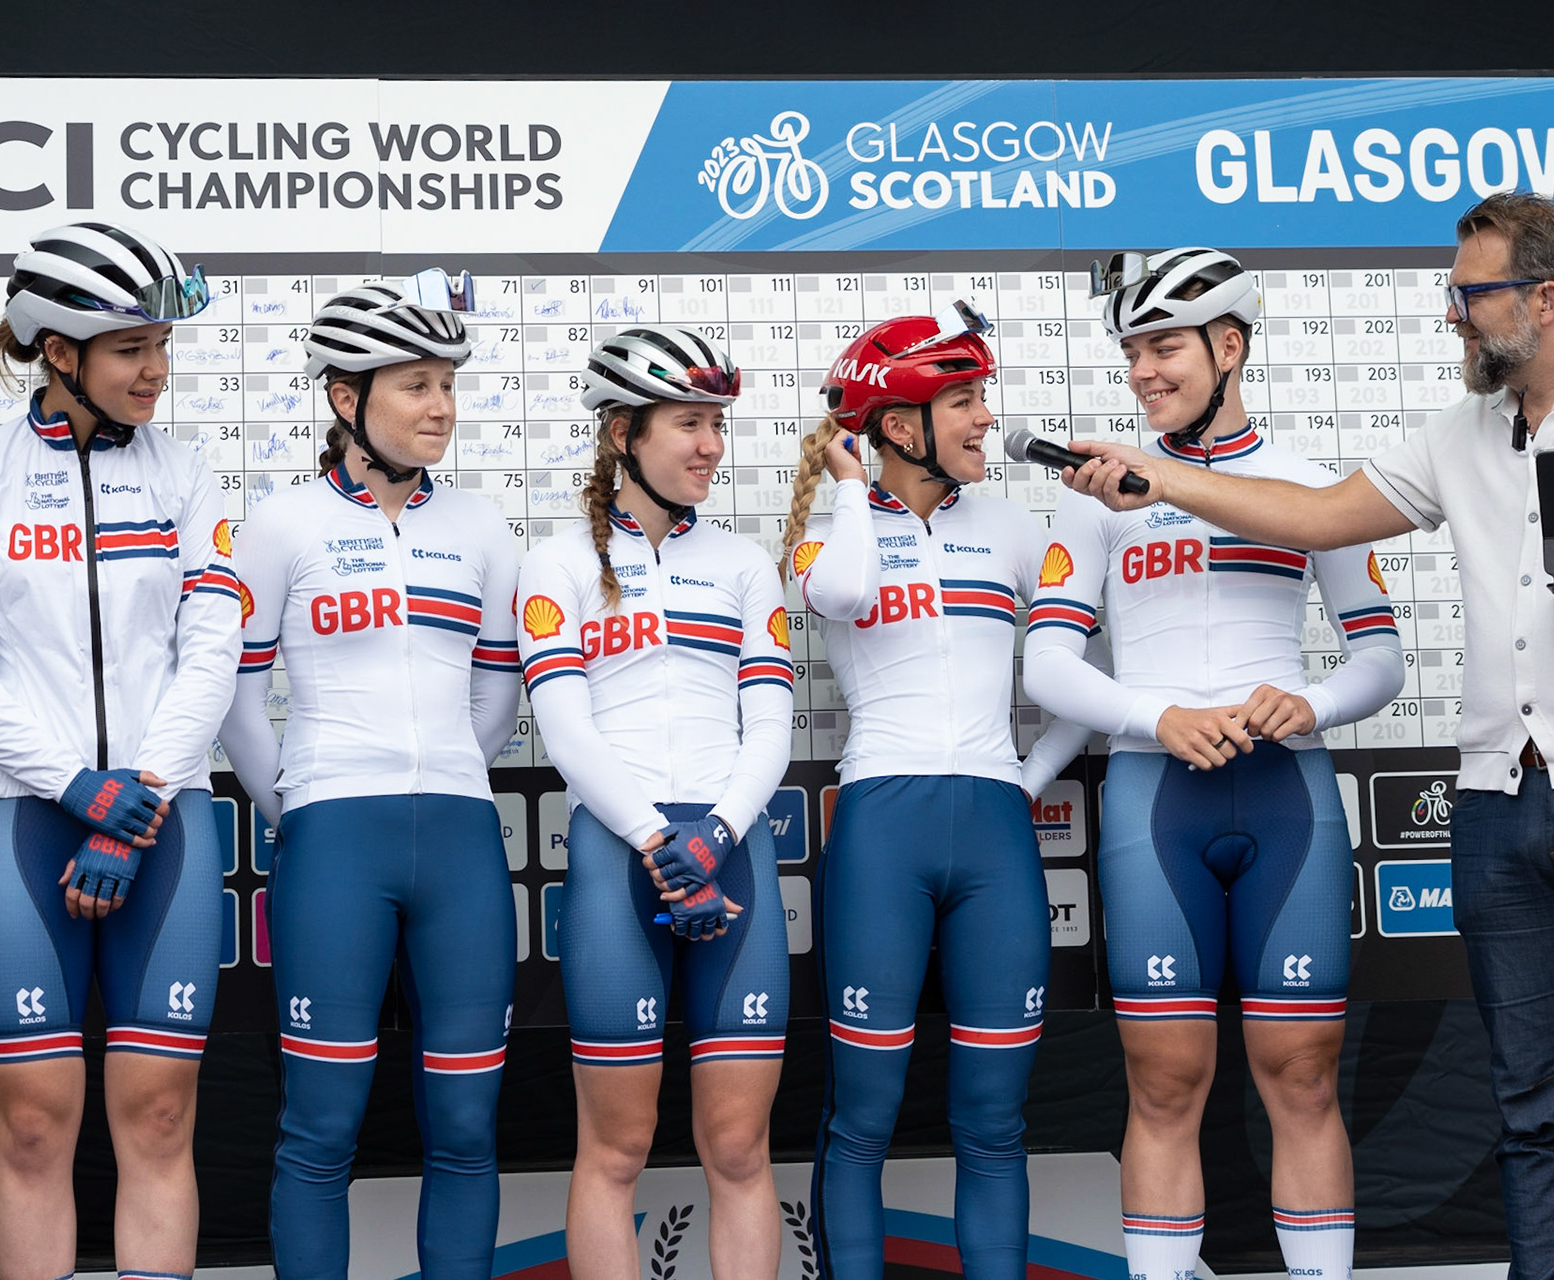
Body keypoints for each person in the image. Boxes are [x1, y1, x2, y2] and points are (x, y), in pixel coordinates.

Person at [1057, 195, 1554, 1280]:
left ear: (1543, 300)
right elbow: (1311, 516)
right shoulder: (1456, 431)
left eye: (1468, 295)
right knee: (1535, 1107)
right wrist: (1149, 476)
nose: (1451, 318)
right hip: (1499, 801)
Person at [1019, 247, 1403, 1280]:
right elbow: (1048, 660)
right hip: (1156, 800)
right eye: (1132, 350)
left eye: (1165, 346)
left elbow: (1381, 653)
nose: (1144, 370)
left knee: (1305, 1075)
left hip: (1286, 793)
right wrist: (1157, 714)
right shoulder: (1098, 494)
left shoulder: (1314, 486)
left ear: (1229, 347)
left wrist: (1309, 700)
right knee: (1163, 1079)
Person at [0, 221, 233, 1280]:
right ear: (59, 351)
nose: (156, 369)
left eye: (160, 345)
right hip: (24, 816)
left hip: (165, 817)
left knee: (154, 1119)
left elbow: (213, 650)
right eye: (131, 348)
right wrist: (74, 785)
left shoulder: (186, 476)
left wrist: (136, 793)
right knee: (36, 1127)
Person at [214, 273, 522, 1280]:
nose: (441, 406)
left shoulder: (481, 528)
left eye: (448, 385)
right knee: (321, 1125)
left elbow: (494, 694)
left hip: (462, 834)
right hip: (333, 832)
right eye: (416, 385)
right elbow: (233, 694)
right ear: (347, 399)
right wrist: (291, 799)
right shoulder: (280, 525)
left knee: (469, 1123)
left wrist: (448, 769)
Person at [779, 305, 1092, 1278]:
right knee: (863, 1115)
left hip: (995, 828)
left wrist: (1023, 778)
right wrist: (847, 486)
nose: (984, 420)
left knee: (995, 1119)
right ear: (901, 424)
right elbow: (837, 597)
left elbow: (1078, 676)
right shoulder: (827, 531)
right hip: (882, 821)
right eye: (961, 400)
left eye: (981, 398)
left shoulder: (1008, 526)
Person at [516, 325, 793, 1279]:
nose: (711, 444)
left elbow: (772, 727)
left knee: (741, 1151)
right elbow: (566, 729)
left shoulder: (747, 563)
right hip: (618, 859)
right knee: (617, 1150)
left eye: (716, 423)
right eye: (689, 423)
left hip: (731, 848)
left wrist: (713, 835)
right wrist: (655, 841)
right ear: (624, 431)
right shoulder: (556, 563)